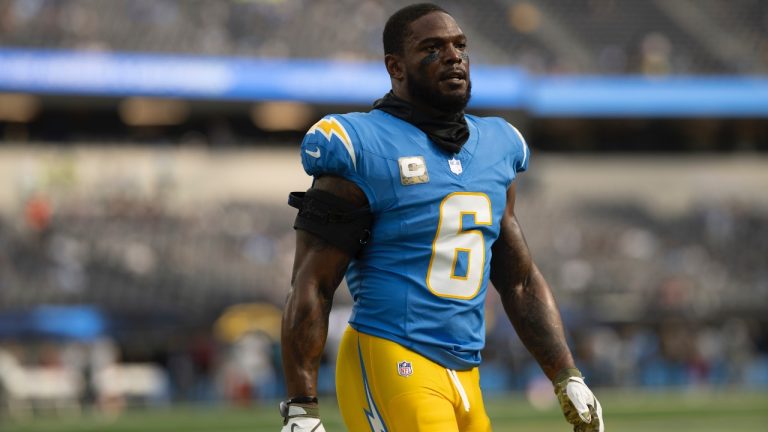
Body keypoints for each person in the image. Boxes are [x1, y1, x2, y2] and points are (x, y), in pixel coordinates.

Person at [280, 3, 604, 431]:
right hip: (393, 355)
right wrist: (302, 407)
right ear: (395, 67)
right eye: (432, 48)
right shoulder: (362, 145)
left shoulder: (497, 146)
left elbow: (519, 280)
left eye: (460, 46)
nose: (453, 57)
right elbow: (313, 282)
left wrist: (566, 374)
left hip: (466, 373)